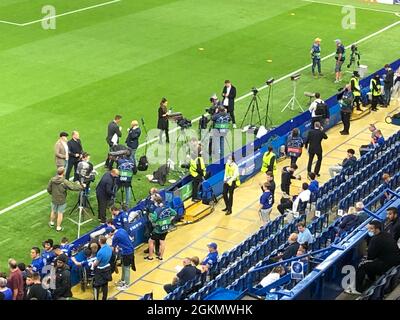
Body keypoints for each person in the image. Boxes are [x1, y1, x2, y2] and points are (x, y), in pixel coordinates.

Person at [352, 220, 400, 294]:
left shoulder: (375, 239)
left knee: (362, 265)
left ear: (377, 229)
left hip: (387, 265)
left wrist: (367, 252)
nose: (369, 231)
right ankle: (371, 280)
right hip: (395, 261)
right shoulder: (387, 234)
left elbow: (370, 257)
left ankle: (358, 289)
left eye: (371, 229)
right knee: (370, 263)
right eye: (368, 229)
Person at [47, 167, 83, 231]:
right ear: (63, 173)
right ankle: (58, 227)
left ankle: (52, 222)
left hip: (54, 198)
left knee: (53, 211)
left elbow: (48, 189)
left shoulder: (52, 180)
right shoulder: (64, 181)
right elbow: (72, 187)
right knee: (60, 213)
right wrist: (81, 187)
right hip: (62, 199)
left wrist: (52, 194)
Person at [145, 195, 177, 261]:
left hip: (158, 230)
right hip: (166, 228)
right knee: (162, 242)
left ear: (156, 202)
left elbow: (153, 220)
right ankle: (160, 257)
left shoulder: (157, 211)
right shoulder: (167, 208)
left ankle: (150, 257)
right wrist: (169, 220)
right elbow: (174, 213)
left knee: (150, 241)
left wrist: (150, 215)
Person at [107, 220, 136, 290]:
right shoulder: (121, 230)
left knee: (126, 268)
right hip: (128, 251)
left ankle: (126, 285)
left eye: (108, 234)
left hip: (127, 253)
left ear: (111, 232)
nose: (108, 235)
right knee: (123, 266)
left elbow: (112, 249)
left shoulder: (115, 237)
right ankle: (123, 280)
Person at [93, 236, 113, 300]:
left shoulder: (100, 252)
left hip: (100, 270)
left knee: (96, 286)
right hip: (107, 268)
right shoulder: (109, 248)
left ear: (99, 242)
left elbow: (97, 263)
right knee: (105, 285)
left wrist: (93, 264)